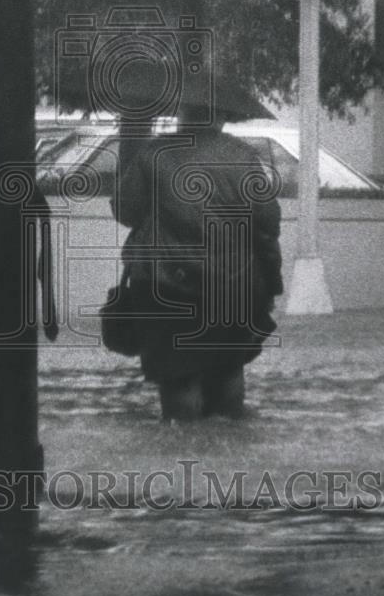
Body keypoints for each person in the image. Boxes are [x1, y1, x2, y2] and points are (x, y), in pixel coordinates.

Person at [111, 106, 283, 420]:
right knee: (228, 370)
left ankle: (184, 459)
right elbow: (267, 224)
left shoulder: (154, 154)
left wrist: (131, 151)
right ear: (221, 116)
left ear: (182, 113)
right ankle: (228, 459)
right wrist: (272, 282)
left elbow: (126, 211)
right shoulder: (243, 156)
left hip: (166, 286)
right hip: (234, 286)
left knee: (178, 377)